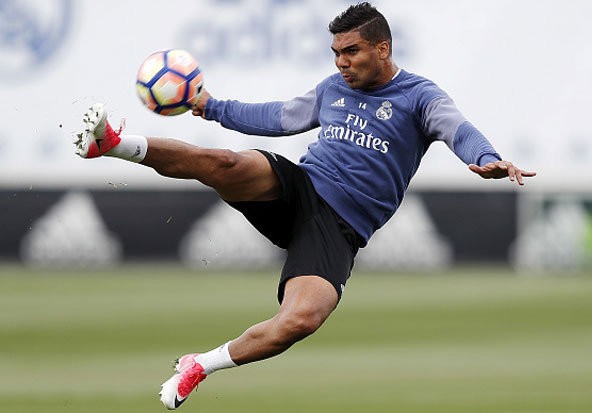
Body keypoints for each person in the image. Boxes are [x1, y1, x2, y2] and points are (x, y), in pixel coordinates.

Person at [74, 2, 536, 409]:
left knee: (299, 321)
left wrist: (486, 158)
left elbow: (458, 129)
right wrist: (213, 107)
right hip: (300, 187)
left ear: (383, 49)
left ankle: (201, 364)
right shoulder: (333, 88)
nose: (341, 63)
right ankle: (111, 144)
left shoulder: (419, 97)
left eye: (351, 51)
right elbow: (278, 118)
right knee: (224, 162)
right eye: (336, 53)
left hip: (340, 228)